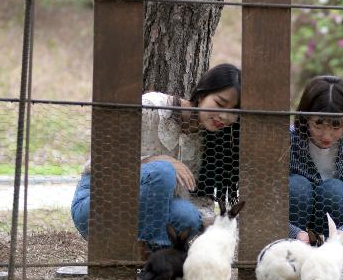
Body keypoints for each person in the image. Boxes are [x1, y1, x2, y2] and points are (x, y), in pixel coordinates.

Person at [71, 63, 242, 253]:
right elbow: (102, 160)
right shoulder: (152, 107)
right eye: (219, 104)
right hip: (97, 204)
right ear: (202, 94)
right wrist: (155, 160)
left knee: (189, 217)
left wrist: (213, 224)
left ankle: (140, 253)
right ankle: (159, 254)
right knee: (163, 170)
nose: (225, 116)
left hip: (152, 215)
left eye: (234, 112)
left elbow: (198, 203)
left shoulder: (212, 145)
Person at [288, 75, 343, 257]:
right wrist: (295, 233)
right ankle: (292, 260)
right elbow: (266, 202)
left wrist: (342, 234)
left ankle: (327, 265)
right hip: (291, 240)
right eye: (319, 124)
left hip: (335, 245)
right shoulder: (288, 140)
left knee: (334, 191)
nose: (326, 136)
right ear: (306, 118)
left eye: (336, 126)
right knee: (297, 186)